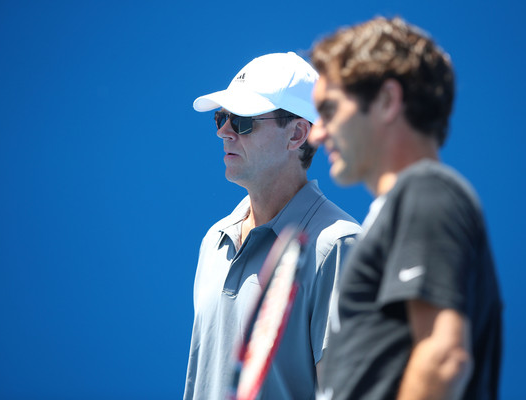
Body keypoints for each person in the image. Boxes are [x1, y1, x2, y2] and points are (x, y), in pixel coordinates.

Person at [308, 17, 503, 400]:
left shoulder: (426, 191)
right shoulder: (406, 202)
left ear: (387, 101)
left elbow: (442, 357)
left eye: (329, 110)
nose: (317, 133)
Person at [183, 52, 361, 400]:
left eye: (243, 120)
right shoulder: (214, 241)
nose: (223, 131)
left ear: (297, 134)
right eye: (222, 117)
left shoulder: (339, 245)